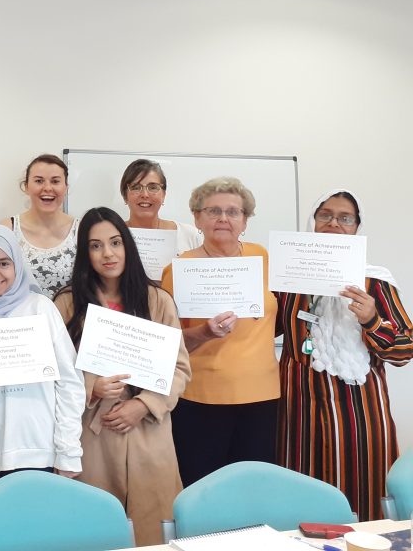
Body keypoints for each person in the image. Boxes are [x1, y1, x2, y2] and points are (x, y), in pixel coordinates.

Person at [53, 207, 191, 546]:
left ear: (128, 245)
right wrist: (92, 387)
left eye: (115, 242)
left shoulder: (158, 300)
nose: (108, 254)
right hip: (92, 433)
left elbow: (180, 367)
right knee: (95, 529)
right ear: (85, 253)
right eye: (96, 246)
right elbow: (55, 371)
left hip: (148, 431)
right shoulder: (67, 303)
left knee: (155, 528)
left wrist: (144, 404)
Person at [276, 189, 412, 520]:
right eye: (325, 215)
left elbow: (404, 350)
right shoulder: (287, 279)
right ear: (314, 221)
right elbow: (262, 329)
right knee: (302, 494)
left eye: (344, 218)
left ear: (356, 227)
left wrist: (371, 319)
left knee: (365, 495)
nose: (334, 224)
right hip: (300, 411)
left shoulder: (376, 281)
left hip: (361, 414)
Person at [0, 224, 85, 496]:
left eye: (4, 263)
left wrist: (68, 452)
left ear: (17, 265)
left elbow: (69, 384)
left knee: (40, 538)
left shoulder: (40, 308)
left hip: (38, 454)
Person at [159, 177, 278, 487]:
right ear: (197, 218)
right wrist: (205, 332)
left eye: (233, 212)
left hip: (261, 397)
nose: (223, 218)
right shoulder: (180, 269)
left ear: (245, 220)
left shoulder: (264, 258)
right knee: (203, 490)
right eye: (213, 211)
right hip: (201, 400)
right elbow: (169, 343)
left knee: (255, 490)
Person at [3, 154, 78, 299]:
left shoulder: (80, 230)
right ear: (26, 186)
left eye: (55, 181)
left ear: (66, 187)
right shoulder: (8, 229)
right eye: (39, 181)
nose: (47, 188)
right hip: (20, 319)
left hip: (68, 320)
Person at [120, 158, 202, 253]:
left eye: (153, 187)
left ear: (163, 195)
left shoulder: (188, 234)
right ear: (125, 196)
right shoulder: (113, 235)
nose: (145, 195)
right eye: (136, 188)